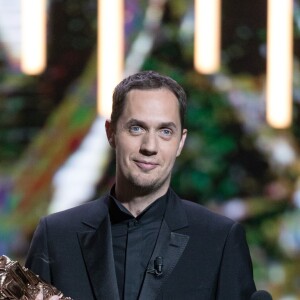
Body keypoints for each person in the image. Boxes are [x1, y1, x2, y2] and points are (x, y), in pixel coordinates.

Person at [26, 70, 256, 300]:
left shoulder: (219, 240)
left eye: (165, 131)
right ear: (111, 133)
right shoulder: (56, 236)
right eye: (136, 128)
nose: (149, 146)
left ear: (180, 142)